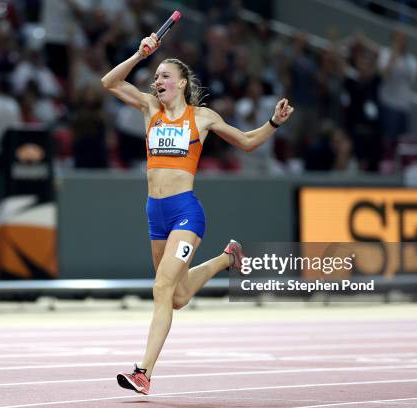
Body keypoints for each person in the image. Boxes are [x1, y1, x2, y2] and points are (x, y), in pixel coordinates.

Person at [101, 33, 294, 395]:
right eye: (155, 76)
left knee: (161, 287)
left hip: (186, 213)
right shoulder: (149, 110)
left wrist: (274, 123)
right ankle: (226, 258)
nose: (157, 81)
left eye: (164, 76)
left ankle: (143, 372)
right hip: (154, 212)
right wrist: (139, 55)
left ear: (183, 83)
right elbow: (109, 82)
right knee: (176, 295)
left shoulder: (202, 118)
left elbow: (247, 142)